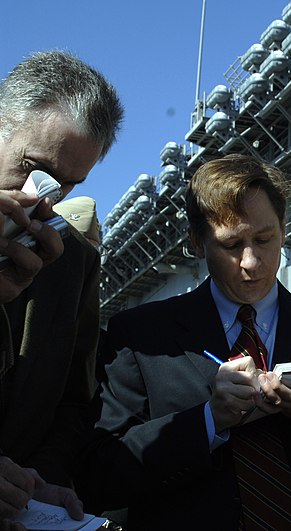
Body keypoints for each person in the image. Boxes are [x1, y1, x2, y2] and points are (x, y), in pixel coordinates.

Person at [78, 154, 291, 530]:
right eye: (231, 245)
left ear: (285, 229)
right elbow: (100, 474)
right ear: (197, 242)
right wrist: (208, 420)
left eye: (264, 238)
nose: (252, 262)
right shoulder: (140, 338)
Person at [0, 50, 123, 525]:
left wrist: (37, 484)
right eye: (31, 166)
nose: (39, 199)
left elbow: (72, 401)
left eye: (66, 186)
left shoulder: (73, 262)